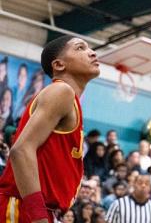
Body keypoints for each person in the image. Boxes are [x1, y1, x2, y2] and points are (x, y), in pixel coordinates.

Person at [0, 36, 100, 223]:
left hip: (39, 209)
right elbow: (21, 150)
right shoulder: (61, 91)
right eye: (80, 48)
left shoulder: (69, 99)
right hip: (24, 208)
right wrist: (38, 215)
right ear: (59, 65)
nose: (92, 52)